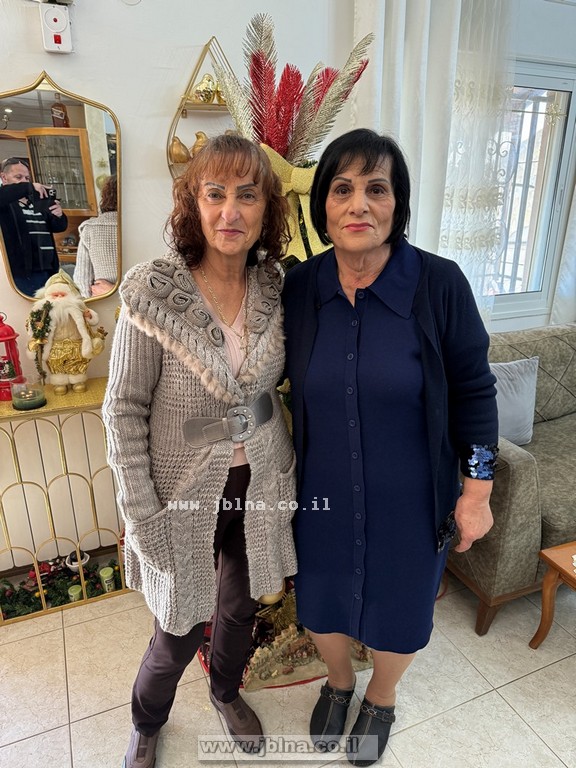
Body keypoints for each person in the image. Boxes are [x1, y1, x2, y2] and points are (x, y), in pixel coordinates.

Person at [282, 128, 498, 767]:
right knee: (321, 600)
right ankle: (338, 682)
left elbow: (476, 392)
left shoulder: (439, 284)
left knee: (401, 609)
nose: (359, 205)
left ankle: (381, 695)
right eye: (342, 189)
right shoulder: (300, 288)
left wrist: (478, 491)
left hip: (413, 497)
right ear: (322, 205)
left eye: (377, 189)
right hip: (320, 494)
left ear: (397, 204)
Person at [103, 134, 298, 768]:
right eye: (215, 194)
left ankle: (225, 692)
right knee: (178, 625)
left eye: (248, 196)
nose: (230, 212)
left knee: (239, 608)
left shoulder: (276, 288)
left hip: (258, 481)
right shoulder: (153, 292)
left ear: (267, 208)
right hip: (181, 490)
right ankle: (147, 720)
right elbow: (123, 409)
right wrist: (140, 510)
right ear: (193, 203)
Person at [25, 271, 106, 395]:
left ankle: (78, 381)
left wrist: (88, 315)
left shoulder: (78, 306)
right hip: (55, 345)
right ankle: (60, 383)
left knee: (77, 362)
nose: (58, 298)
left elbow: (93, 321)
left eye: (62, 295)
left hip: (76, 343)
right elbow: (32, 327)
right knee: (56, 364)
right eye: (55, 295)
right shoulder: (43, 310)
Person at [0, 157, 67, 295]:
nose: (24, 181)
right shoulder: (5, 203)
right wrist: (28, 187)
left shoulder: (37, 201)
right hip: (21, 274)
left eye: (27, 178)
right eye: (18, 177)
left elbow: (59, 227)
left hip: (48, 271)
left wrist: (59, 215)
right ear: (4, 178)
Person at [73, 174, 118, 297]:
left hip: (103, 302)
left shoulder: (90, 228)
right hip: (138, 306)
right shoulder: (146, 226)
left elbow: (82, 281)